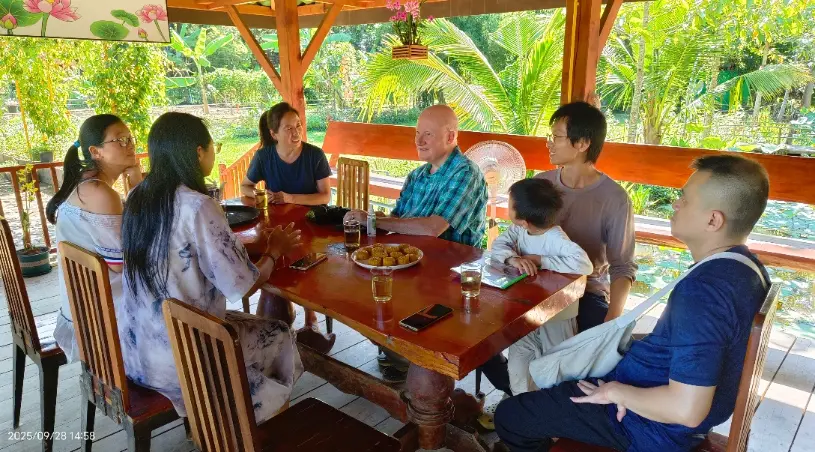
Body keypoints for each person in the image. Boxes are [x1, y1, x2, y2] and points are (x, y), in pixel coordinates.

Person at [495, 154, 771, 452]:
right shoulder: (747, 268)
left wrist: (618, 393)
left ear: (713, 220)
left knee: (512, 415)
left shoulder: (704, 292)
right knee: (558, 376)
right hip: (645, 396)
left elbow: (686, 409)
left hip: (647, 428)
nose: (676, 205)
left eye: (685, 199)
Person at [119, 112, 304, 423]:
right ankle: (258, 420)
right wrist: (273, 251)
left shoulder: (138, 196)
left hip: (139, 350)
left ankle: (233, 404)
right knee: (279, 333)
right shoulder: (197, 205)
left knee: (244, 327)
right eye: (213, 145)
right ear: (198, 152)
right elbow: (242, 286)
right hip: (186, 359)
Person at [343, 104, 488, 381]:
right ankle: (399, 354)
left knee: (379, 298)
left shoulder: (466, 173)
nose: (419, 141)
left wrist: (373, 221)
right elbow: (397, 221)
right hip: (410, 268)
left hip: (451, 276)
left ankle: (419, 366)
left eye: (428, 135)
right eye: (417, 133)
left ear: (450, 137)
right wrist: (370, 222)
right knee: (357, 295)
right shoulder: (417, 176)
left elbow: (433, 228)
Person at [48, 114, 143, 363]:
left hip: (84, 308)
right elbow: (119, 264)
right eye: (120, 140)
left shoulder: (85, 185)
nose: (130, 144)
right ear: (95, 151)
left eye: (130, 138)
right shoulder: (100, 193)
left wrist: (135, 180)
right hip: (105, 321)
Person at [535, 101, 638, 332]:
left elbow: (622, 266)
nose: (549, 144)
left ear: (582, 143)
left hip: (585, 293)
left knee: (588, 355)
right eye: (550, 136)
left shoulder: (615, 198)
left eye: (557, 137)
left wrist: (612, 321)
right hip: (535, 286)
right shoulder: (539, 185)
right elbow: (518, 236)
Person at [490, 178, 593, 397]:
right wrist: (512, 259)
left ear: (524, 220)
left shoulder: (555, 237)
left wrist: (541, 260)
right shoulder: (518, 231)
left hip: (557, 316)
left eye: (510, 205)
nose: (507, 208)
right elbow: (498, 245)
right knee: (519, 366)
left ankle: (556, 412)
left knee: (557, 368)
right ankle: (522, 404)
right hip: (527, 312)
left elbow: (584, 264)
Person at [240, 102, 331, 206]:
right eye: (289, 128)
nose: (296, 132)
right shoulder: (263, 156)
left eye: (298, 125)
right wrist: (263, 194)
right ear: (274, 134)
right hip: (276, 218)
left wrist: (290, 198)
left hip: (310, 217)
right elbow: (245, 186)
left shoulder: (315, 155)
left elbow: (325, 196)